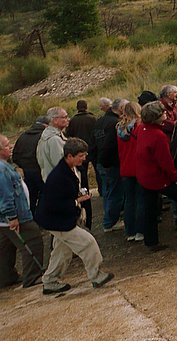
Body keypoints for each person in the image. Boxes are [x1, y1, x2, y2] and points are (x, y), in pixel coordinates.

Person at [34, 138, 114, 294]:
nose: (84, 158)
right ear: (69, 156)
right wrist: (76, 202)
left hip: (55, 218)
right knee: (88, 242)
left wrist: (76, 200)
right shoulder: (59, 176)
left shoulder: (68, 169)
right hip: (57, 220)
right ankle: (96, 275)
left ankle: (50, 281)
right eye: (81, 155)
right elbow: (54, 204)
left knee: (62, 250)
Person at [136, 101, 177, 250]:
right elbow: (165, 161)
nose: (165, 114)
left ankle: (151, 242)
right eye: (162, 113)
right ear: (156, 117)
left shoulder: (141, 129)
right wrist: (175, 177)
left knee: (150, 208)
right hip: (158, 178)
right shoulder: (157, 135)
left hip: (144, 176)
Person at [0, 134, 44, 289]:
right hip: (16, 216)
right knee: (33, 241)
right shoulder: (2, 169)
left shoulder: (5, 166)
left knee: (5, 247)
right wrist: (12, 216)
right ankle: (33, 276)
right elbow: (6, 195)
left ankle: (6, 277)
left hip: (3, 220)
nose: (10, 147)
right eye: (6, 145)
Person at [94, 99, 126, 233]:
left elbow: (93, 142)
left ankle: (108, 220)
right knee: (115, 192)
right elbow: (111, 145)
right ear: (120, 108)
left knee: (108, 192)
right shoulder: (115, 123)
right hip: (111, 163)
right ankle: (110, 222)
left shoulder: (100, 121)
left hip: (100, 162)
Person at [117, 102, 145, 242]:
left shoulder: (119, 128)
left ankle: (130, 231)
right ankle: (140, 230)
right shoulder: (139, 127)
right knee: (140, 199)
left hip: (125, 168)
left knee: (129, 201)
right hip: (139, 167)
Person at [11, 115, 50, 214]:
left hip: (26, 172)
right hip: (40, 171)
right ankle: (42, 218)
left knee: (30, 197)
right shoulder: (44, 137)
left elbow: (15, 155)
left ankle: (32, 218)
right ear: (46, 125)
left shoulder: (23, 136)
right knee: (45, 195)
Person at [66, 100, 96, 228]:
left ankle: (84, 191)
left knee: (82, 177)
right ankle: (97, 190)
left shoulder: (73, 121)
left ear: (77, 108)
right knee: (97, 172)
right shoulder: (92, 118)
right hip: (91, 150)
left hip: (77, 152)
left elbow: (69, 136)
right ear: (86, 107)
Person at [37, 107, 69, 182]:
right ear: (55, 120)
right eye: (65, 117)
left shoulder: (45, 136)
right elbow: (61, 165)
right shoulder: (54, 140)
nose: (68, 119)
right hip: (60, 182)